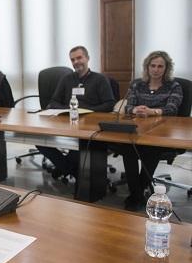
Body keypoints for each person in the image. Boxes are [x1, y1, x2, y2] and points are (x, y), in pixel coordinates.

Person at [114, 50, 183, 210]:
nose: (156, 69)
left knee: (152, 149)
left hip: (162, 133)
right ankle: (137, 193)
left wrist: (153, 111)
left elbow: (172, 109)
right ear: (147, 67)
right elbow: (128, 105)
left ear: (166, 68)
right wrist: (135, 109)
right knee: (127, 147)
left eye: (160, 66)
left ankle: (135, 196)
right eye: (153, 65)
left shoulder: (174, 86)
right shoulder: (137, 84)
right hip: (137, 130)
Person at [37, 46, 115, 179]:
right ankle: (70, 170)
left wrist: (87, 110)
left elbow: (109, 104)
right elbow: (54, 101)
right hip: (68, 123)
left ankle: (67, 170)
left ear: (87, 58)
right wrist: (69, 109)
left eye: (79, 58)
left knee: (79, 149)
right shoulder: (67, 79)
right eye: (73, 59)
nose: (76, 62)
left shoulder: (100, 79)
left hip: (91, 126)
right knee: (39, 139)